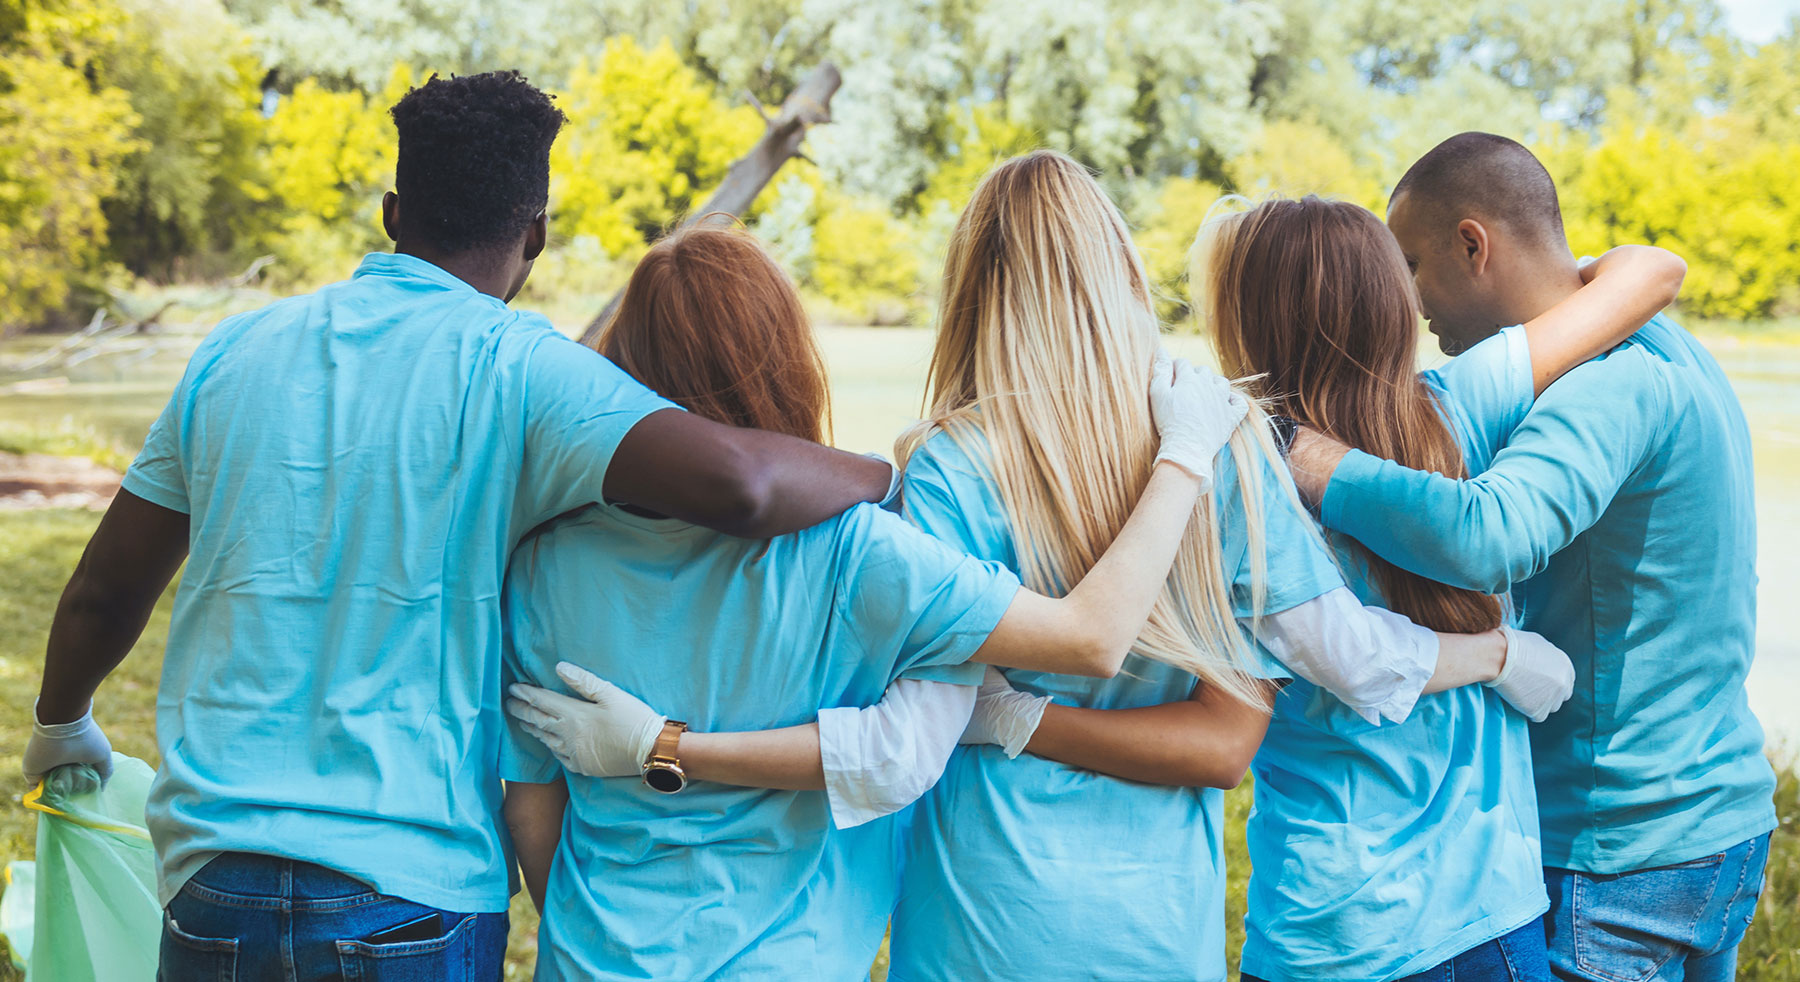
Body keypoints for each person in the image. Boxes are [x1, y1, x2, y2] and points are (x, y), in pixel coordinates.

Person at [514, 151, 1578, 982]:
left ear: (974, 288)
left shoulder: (944, 471)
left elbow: (907, 744)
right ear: (1117, 271)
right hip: (1155, 926)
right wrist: (1495, 653)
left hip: (983, 918)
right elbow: (1351, 658)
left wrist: (666, 747)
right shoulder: (1217, 438)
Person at [19, 72, 911, 982]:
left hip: (214, 882)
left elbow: (104, 589)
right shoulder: (527, 373)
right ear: (536, 233)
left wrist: (62, 721)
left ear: (391, 212)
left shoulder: (232, 351)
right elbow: (747, 485)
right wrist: (894, 473)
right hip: (410, 897)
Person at [497, 221, 1252, 980]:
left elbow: (533, 804)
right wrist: (1184, 454)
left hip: (593, 956)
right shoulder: (859, 556)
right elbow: (1088, 639)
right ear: (787, 360)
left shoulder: (539, 569)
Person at [1286, 132, 1776, 982]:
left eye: (1413, 264)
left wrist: (1322, 466)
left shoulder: (1609, 382)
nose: (1409, 302)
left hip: (1620, 844)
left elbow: (1489, 537)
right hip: (1711, 818)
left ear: (1474, 246)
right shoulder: (1673, 344)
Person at [1194, 195, 1686, 982]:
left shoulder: (1238, 472)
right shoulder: (1463, 403)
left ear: (1248, 319)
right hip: (1491, 912)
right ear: (1389, 301)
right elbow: (1654, 271)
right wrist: (1499, 654)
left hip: (1338, 925)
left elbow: (1344, 654)